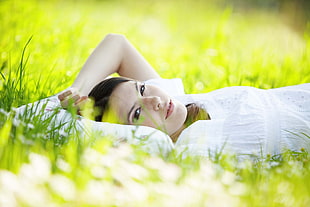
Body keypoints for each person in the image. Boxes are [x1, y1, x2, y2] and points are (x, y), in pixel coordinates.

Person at [58, 33, 310, 159]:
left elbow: (117, 43)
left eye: (142, 89)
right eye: (137, 113)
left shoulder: (179, 100)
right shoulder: (179, 152)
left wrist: (78, 90)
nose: (154, 101)